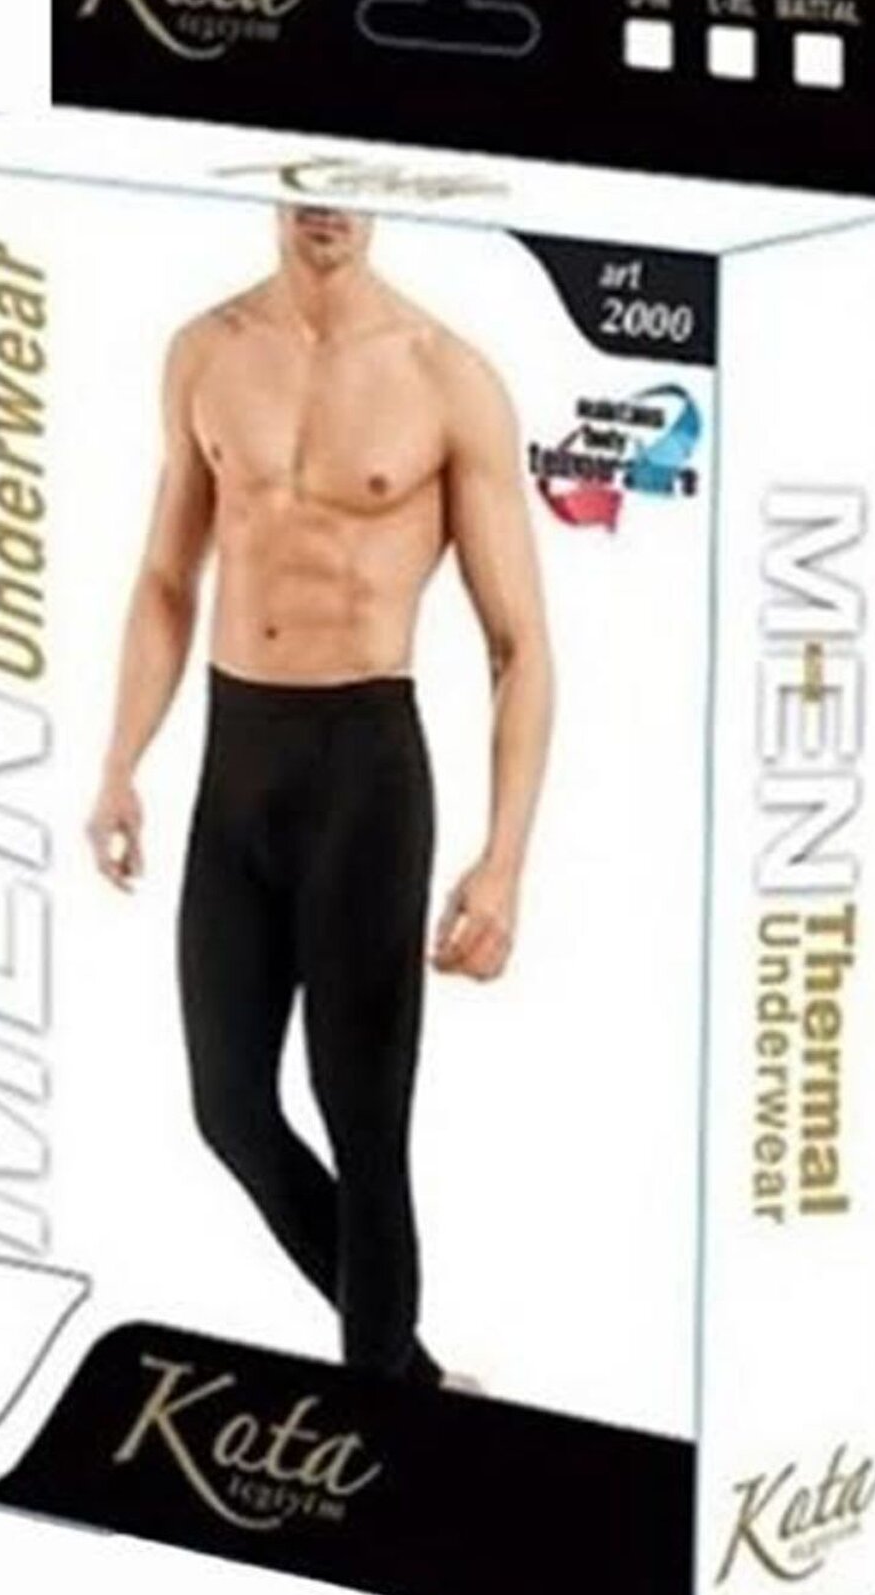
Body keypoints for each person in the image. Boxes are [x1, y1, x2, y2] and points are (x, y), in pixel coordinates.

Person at [87, 203, 553, 1385]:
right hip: (236, 764)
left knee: (365, 1125)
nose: (327, 206)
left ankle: (385, 1410)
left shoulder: (448, 379)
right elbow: (164, 577)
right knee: (229, 1109)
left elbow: (520, 646)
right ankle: (414, 1382)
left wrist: (504, 859)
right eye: (304, 177)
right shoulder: (205, 351)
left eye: (349, 181)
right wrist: (120, 760)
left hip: (365, 775)